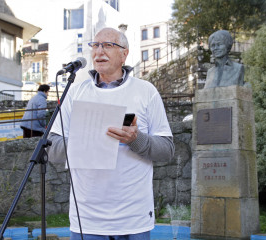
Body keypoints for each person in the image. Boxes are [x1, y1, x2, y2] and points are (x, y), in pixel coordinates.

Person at [47, 27, 174, 239]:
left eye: (108, 45)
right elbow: (52, 150)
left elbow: (167, 150)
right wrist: (86, 139)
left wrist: (136, 139)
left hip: (134, 217)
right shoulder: (75, 93)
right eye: (95, 45)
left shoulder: (146, 91)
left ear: (124, 54)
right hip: (86, 219)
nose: (99, 51)